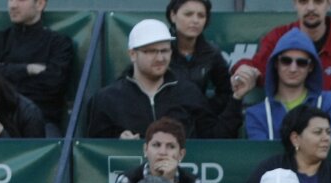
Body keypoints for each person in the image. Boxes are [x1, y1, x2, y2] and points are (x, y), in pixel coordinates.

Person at [87, 18, 240, 139]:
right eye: (151, 51)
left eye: (165, 50)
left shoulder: (188, 92)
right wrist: (119, 142)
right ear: (133, 54)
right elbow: (92, 149)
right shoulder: (107, 99)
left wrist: (237, 98)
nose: (160, 57)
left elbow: (213, 137)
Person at [230, 0, 331, 131]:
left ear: (330, 2)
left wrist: (324, 125)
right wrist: (243, 69)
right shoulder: (279, 36)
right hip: (282, 129)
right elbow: (257, 69)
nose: (310, 8)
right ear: (294, 3)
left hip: (327, 132)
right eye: (303, 1)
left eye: (318, 1)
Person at [0, 0, 74, 135]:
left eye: (21, 0)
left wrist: (2, 80)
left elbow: (54, 85)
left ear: (40, 4)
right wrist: (26, 69)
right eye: (10, 0)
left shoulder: (59, 43)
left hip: (42, 123)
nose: (12, 5)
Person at [244, 27, 331, 142]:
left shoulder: (328, 102)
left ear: (310, 67)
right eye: (286, 61)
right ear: (276, 63)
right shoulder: (256, 114)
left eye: (301, 62)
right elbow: (259, 155)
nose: (293, 68)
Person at [166, 0, 241, 132]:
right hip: (165, 124)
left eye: (201, 16)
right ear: (173, 15)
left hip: (200, 127)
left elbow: (227, 91)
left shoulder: (212, 53)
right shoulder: (161, 49)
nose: (195, 20)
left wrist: (205, 107)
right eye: (188, 14)